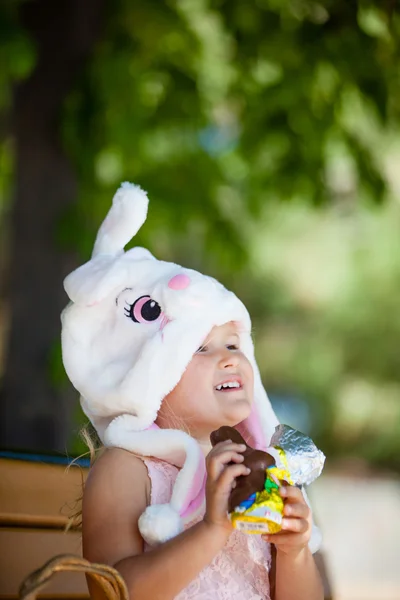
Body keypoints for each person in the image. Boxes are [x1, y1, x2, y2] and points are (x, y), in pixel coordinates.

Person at [61, 183, 324, 600]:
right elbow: (114, 591)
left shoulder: (256, 470)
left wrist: (293, 553)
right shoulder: (127, 470)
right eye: (199, 346)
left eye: (234, 345)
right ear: (149, 376)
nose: (229, 358)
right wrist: (211, 530)